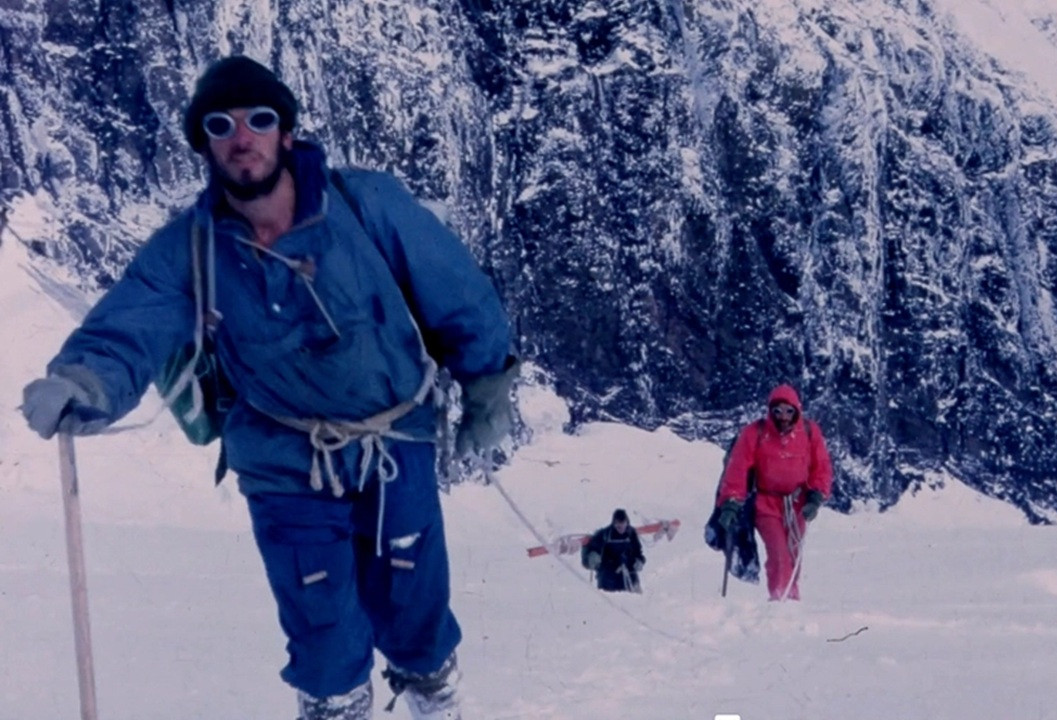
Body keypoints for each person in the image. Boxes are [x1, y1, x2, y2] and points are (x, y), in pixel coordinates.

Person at [19, 55, 517, 720]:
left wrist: (486, 385)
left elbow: (454, 288)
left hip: (394, 441)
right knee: (323, 636)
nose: (241, 137)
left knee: (414, 612)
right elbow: (131, 322)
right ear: (204, 144)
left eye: (258, 119)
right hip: (282, 458)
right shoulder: (190, 250)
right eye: (220, 125)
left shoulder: (364, 204)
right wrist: (84, 382)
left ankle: (434, 695)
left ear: (286, 132)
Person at [715, 385, 833, 601]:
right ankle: (779, 599)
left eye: (789, 411)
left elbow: (821, 466)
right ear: (770, 411)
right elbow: (737, 468)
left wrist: (816, 497)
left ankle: (791, 598)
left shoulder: (809, 432)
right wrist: (731, 501)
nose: (783, 417)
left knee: (794, 554)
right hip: (766, 503)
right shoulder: (755, 433)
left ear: (796, 411)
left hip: (798, 503)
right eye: (778, 411)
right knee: (778, 553)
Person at [582, 508, 646, 593]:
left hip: (628, 574)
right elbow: (595, 547)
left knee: (633, 596)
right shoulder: (605, 534)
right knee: (608, 597)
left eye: (623, 524)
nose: (621, 528)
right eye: (618, 526)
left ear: (627, 522)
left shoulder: (631, 534)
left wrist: (639, 561)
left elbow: (638, 552)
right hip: (608, 574)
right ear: (614, 524)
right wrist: (593, 556)